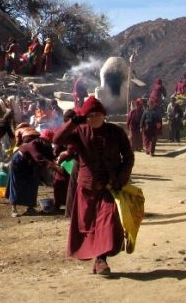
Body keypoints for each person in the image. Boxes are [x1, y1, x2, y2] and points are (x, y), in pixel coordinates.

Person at [54, 96, 134, 276]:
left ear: (104, 115)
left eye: (98, 114)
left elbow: (128, 157)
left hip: (110, 187)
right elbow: (58, 139)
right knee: (89, 225)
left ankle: (101, 259)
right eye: (91, 114)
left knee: (107, 222)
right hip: (87, 187)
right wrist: (73, 123)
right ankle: (97, 259)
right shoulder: (80, 131)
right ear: (85, 116)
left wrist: (121, 178)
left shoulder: (116, 132)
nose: (95, 117)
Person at [8, 126, 61, 217]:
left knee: (33, 183)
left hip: (30, 164)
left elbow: (50, 157)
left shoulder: (46, 146)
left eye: (49, 141)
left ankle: (30, 208)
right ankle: (14, 209)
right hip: (19, 162)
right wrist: (55, 167)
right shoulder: (33, 144)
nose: (47, 142)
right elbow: (39, 158)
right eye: (46, 140)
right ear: (41, 138)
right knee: (16, 184)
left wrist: (56, 161)